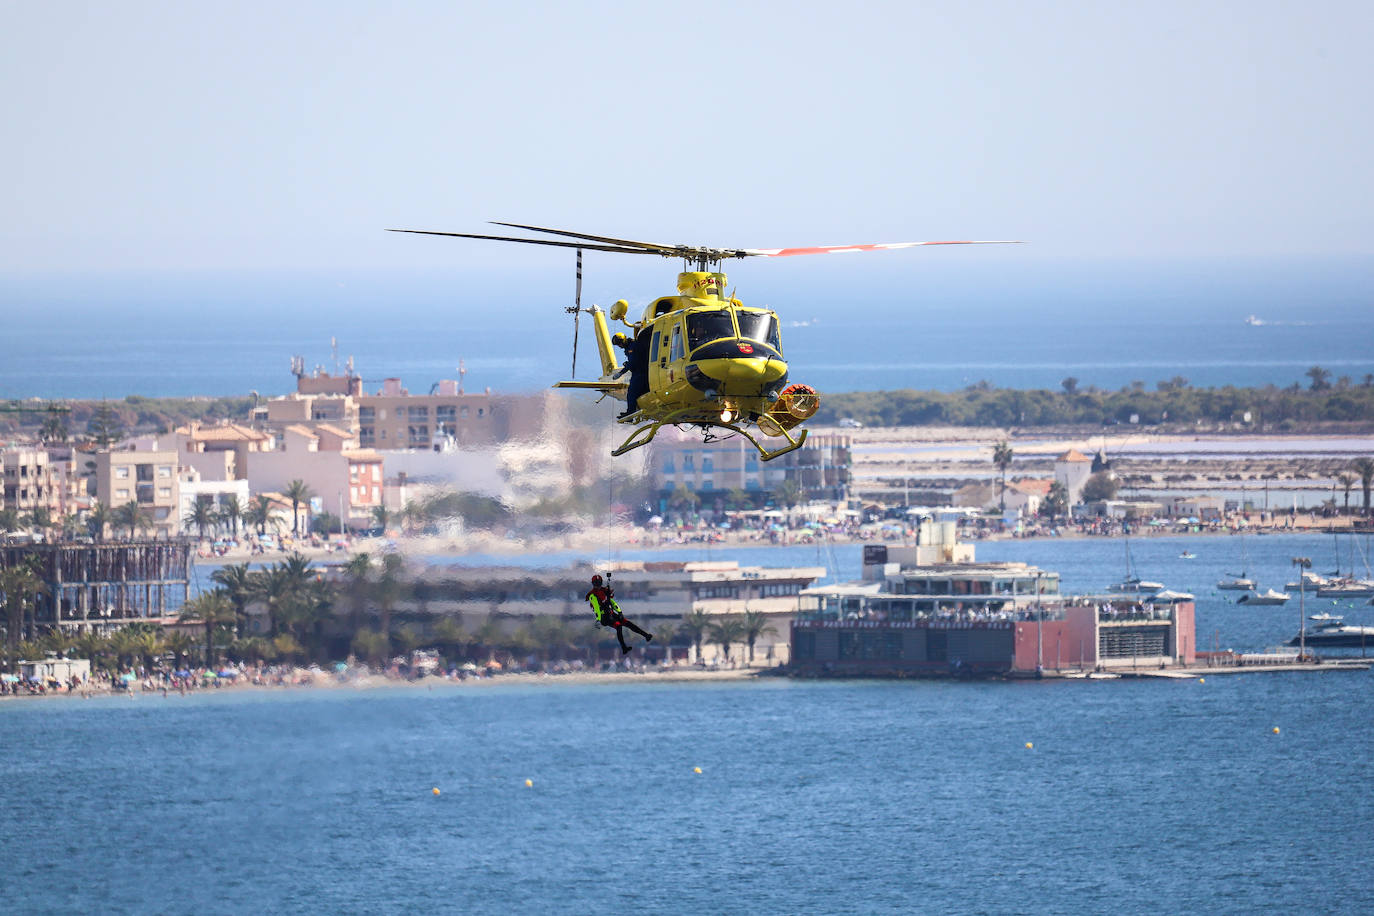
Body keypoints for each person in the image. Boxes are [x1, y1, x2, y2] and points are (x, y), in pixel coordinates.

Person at [585, 573, 653, 654]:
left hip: (611, 613)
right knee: (618, 626)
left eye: (599, 582)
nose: (598, 584)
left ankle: (646, 635)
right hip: (604, 617)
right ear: (593, 584)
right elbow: (596, 609)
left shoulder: (605, 591)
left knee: (628, 623)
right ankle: (624, 648)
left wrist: (619, 612)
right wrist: (599, 619)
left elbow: (612, 603)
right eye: (596, 583)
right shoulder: (592, 595)